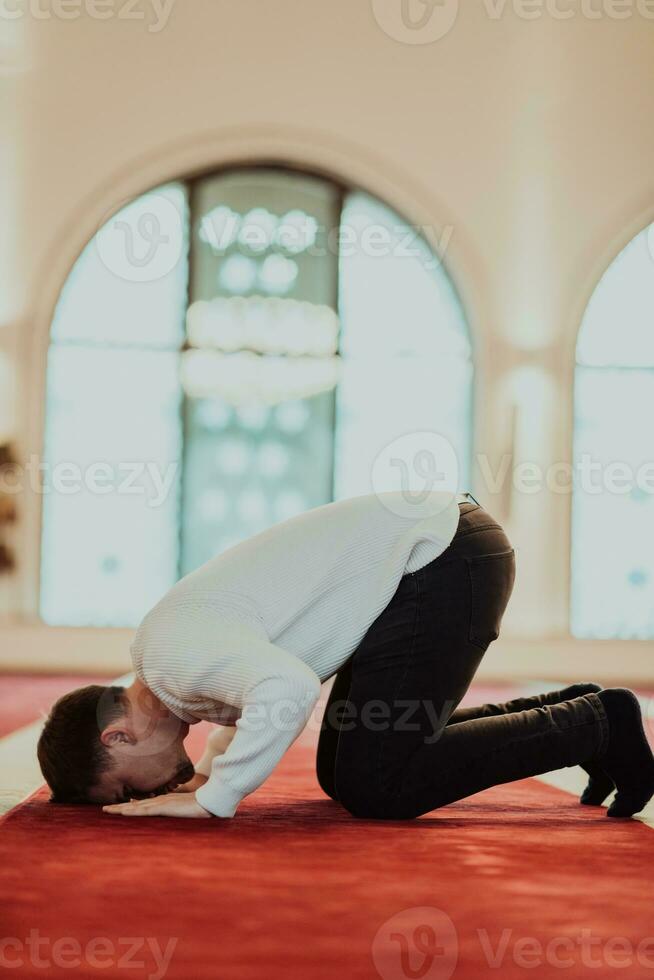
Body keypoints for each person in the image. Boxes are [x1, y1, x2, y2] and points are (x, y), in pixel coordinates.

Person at [37, 492, 654, 821]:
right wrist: (208, 773)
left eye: (122, 792)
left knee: (379, 784)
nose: (138, 800)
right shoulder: (166, 663)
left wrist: (213, 798)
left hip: (441, 557)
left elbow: (287, 688)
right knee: (347, 771)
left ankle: (597, 727)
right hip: (427, 560)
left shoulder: (172, 660)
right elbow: (246, 689)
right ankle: (580, 712)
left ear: (117, 738)